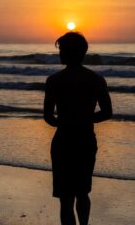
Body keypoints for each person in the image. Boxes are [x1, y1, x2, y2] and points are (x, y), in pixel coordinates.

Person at [44, 32, 112, 225]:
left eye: (61, 50)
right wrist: (84, 119)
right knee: (83, 192)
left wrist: (66, 122)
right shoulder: (96, 79)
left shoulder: (54, 80)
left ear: (67, 52)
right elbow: (107, 112)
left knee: (66, 198)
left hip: (63, 140)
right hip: (85, 139)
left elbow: (49, 117)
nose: (59, 54)